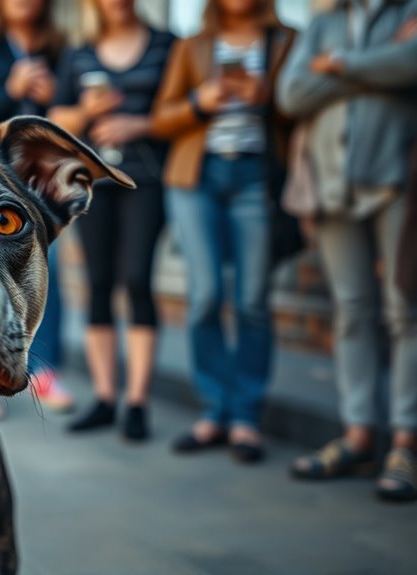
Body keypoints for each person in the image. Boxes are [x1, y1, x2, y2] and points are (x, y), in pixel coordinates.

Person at [277, 1, 417, 502]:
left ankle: (407, 441)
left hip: (399, 180)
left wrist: (340, 65)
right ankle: (359, 436)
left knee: (406, 310)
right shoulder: (324, 22)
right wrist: (383, 64)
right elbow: (292, 94)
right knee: (352, 310)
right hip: (331, 185)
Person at [152, 0, 295, 462]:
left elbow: (304, 109)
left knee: (253, 299)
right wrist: (200, 102)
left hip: (257, 179)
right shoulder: (193, 46)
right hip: (197, 180)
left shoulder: (286, 40)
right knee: (207, 295)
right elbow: (161, 118)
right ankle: (215, 410)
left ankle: (246, 417)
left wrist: (267, 97)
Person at [48, 0, 175, 441]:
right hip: (93, 183)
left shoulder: (166, 46)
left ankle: (137, 402)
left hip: (147, 180)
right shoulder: (79, 53)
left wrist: (137, 125)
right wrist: (86, 112)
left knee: (138, 280)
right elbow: (55, 118)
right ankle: (105, 398)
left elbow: (179, 112)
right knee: (99, 281)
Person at [0, 0, 73, 418]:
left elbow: (70, 114)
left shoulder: (62, 50)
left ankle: (45, 372)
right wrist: (10, 90)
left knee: (46, 272)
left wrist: (53, 97)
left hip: (38, 184)